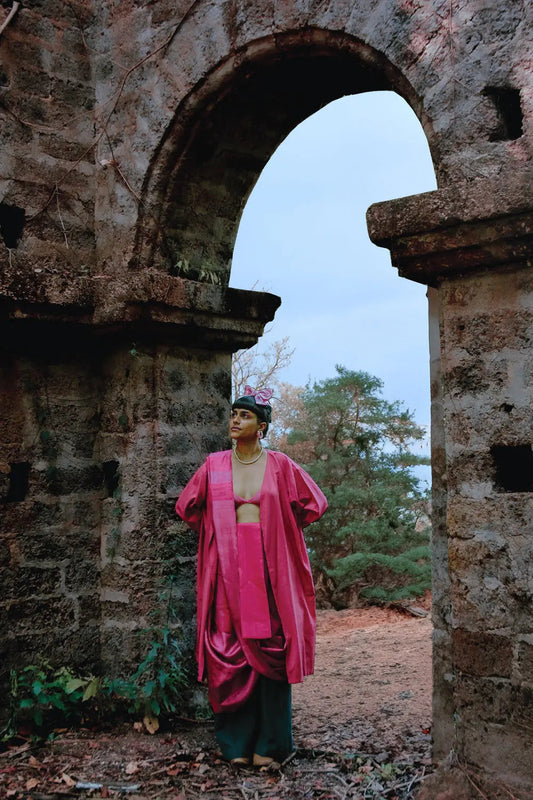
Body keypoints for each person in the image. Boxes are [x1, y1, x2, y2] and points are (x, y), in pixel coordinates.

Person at [175, 385, 328, 767]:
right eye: (233, 414)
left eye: (244, 416)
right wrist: (217, 533)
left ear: (261, 426)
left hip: (269, 565)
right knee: (228, 646)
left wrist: (281, 530)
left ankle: (271, 746)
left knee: (271, 642)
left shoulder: (280, 464)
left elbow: (314, 504)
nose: (235, 421)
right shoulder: (214, 466)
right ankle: (236, 746)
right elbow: (187, 506)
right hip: (227, 566)